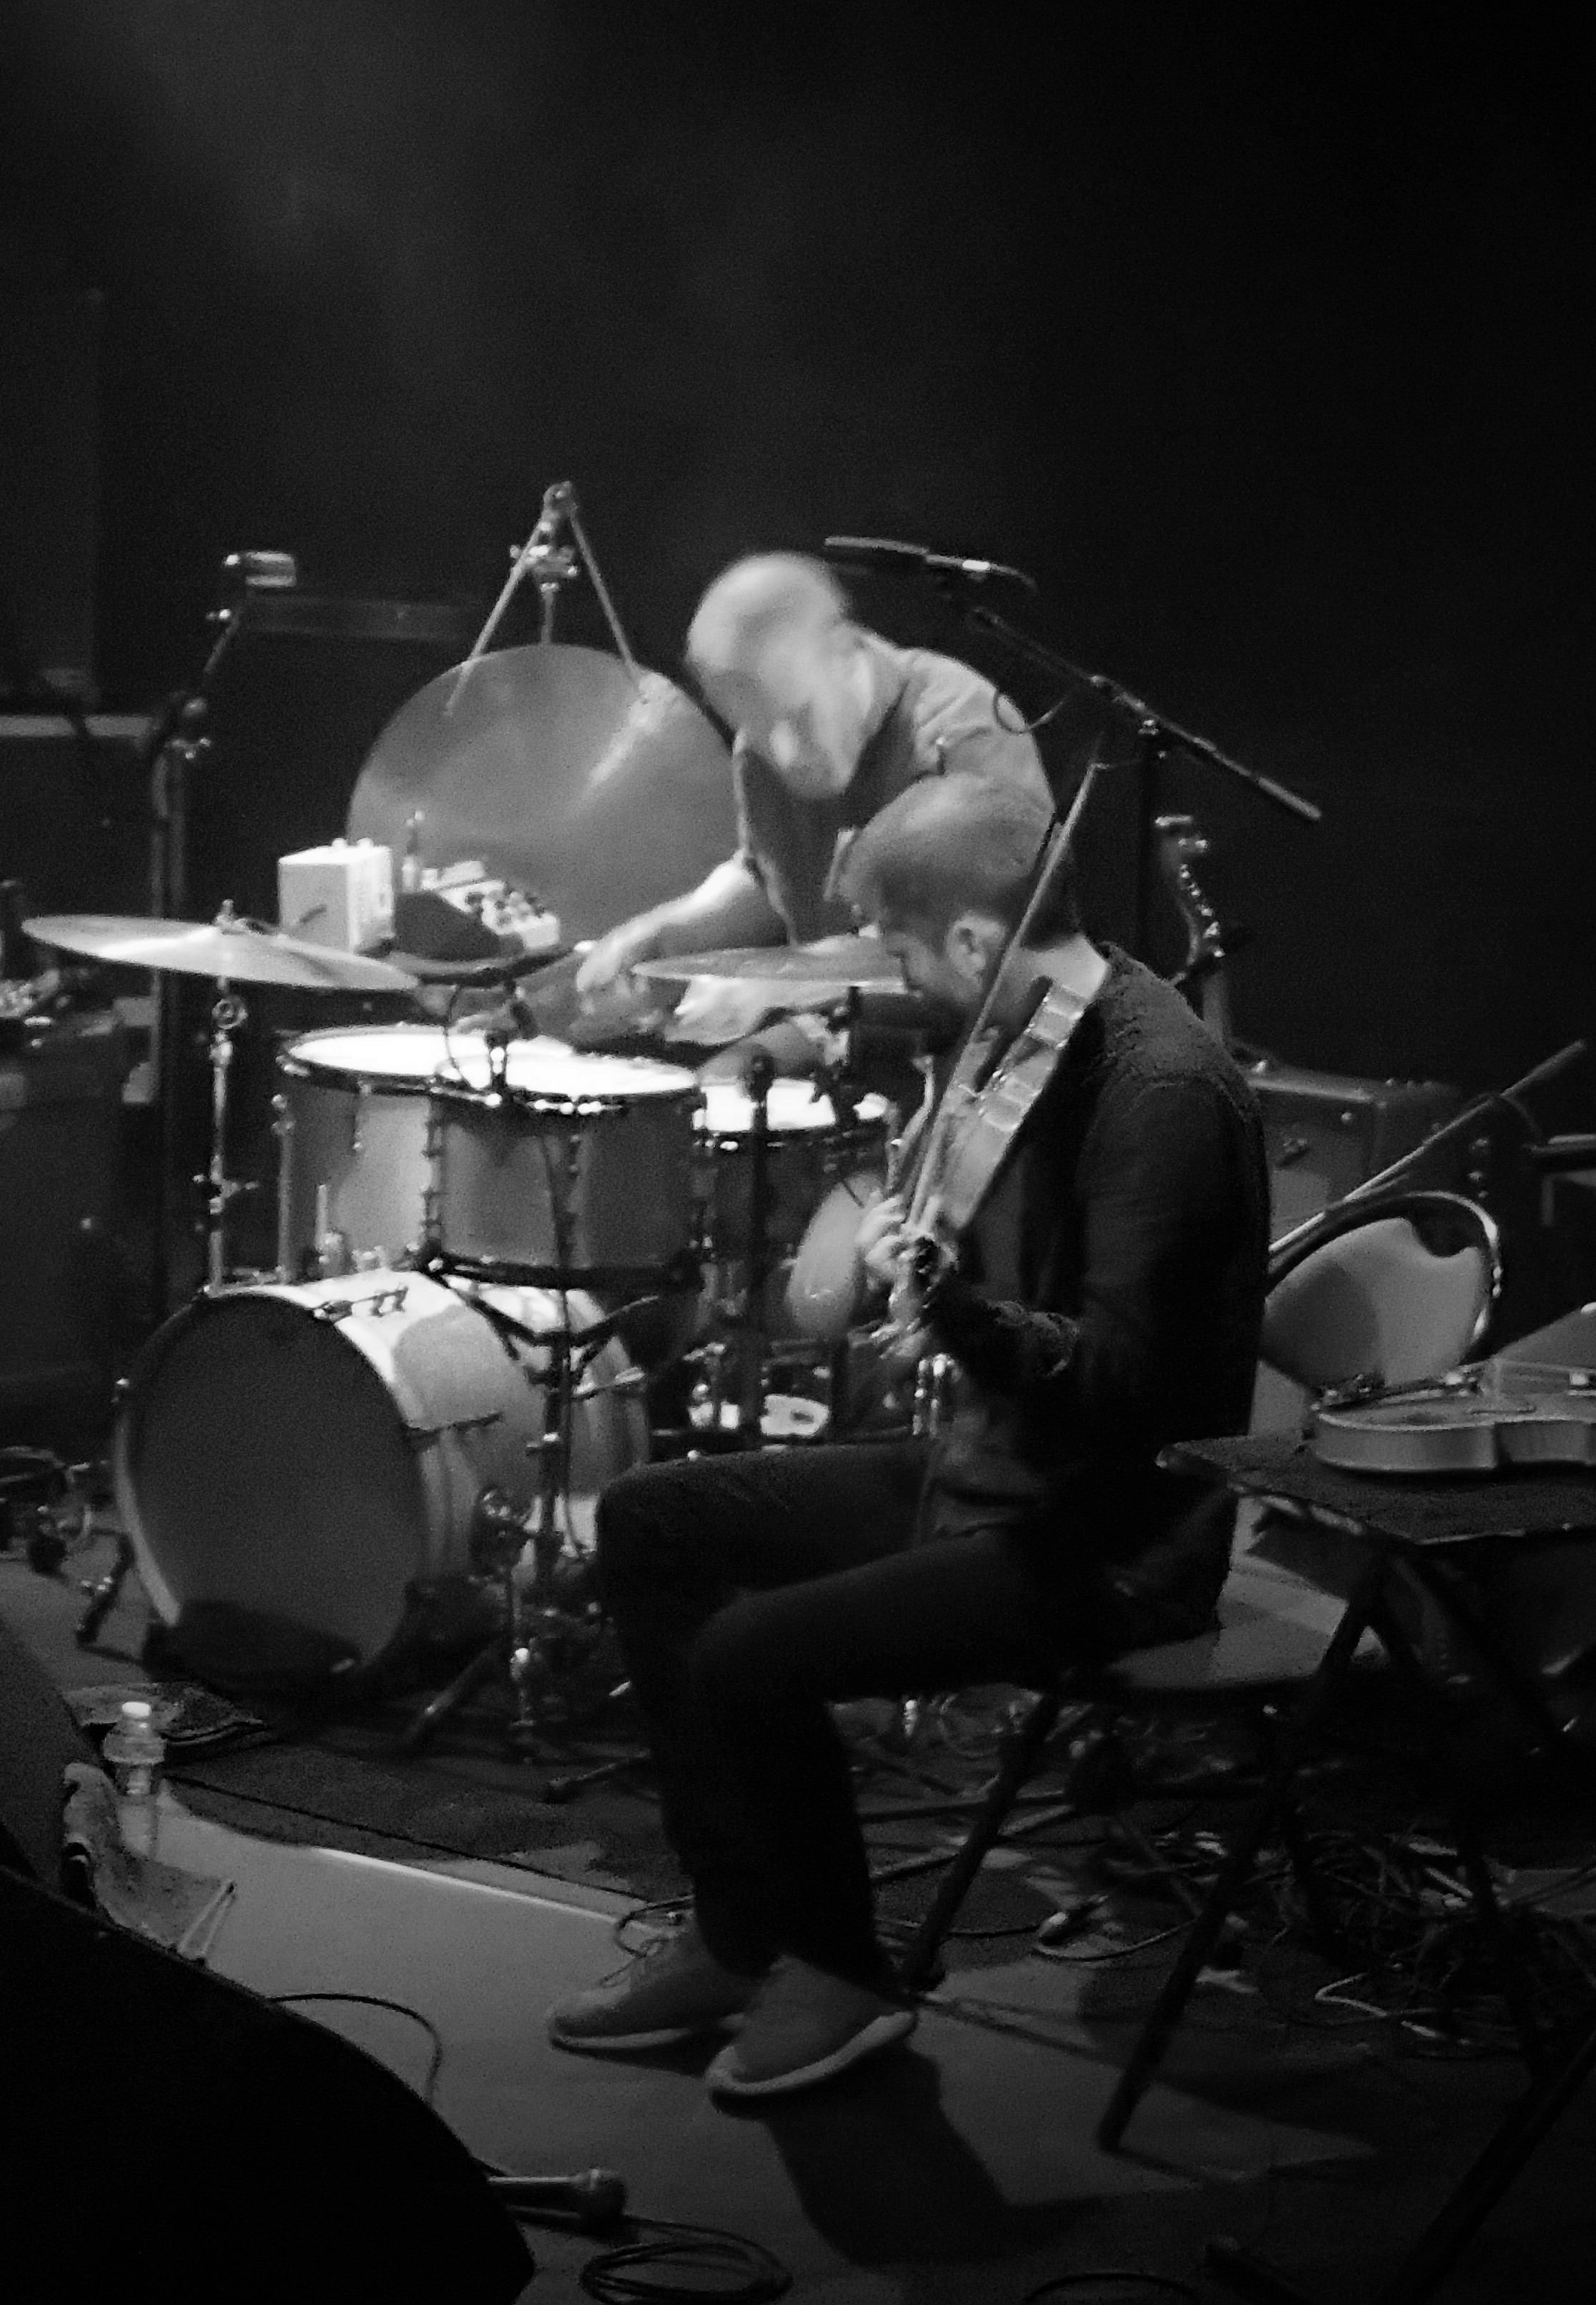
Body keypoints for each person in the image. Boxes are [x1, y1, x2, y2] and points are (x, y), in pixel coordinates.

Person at [545, 770, 1266, 2100]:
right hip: (992, 1476)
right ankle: (739, 1933)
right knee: (652, 1522)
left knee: (752, 1654)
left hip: (1112, 1538)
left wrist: (956, 1312)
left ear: (978, 942)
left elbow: (1122, 1383)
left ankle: (841, 1973)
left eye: (898, 946)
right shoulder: (1031, 1032)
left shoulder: (1156, 1088)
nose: (888, 974)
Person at [572, 552, 1051, 1075]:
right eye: (753, 727)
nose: (784, 754)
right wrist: (668, 934)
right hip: (849, 1030)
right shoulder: (761, 753)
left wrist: (774, 985)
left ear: (845, 652)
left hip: (984, 1057)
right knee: (714, 1087)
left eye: (799, 716)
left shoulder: (959, 733)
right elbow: (769, 879)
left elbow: (960, 948)